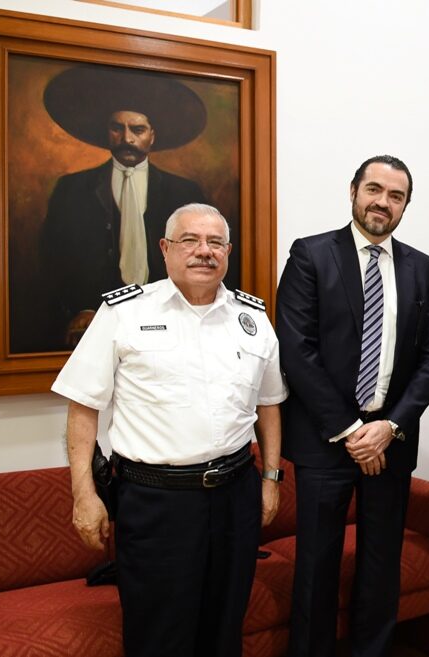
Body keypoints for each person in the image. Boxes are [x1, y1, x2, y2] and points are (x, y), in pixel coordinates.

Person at [52, 203, 286, 657]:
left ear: (228, 251)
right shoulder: (124, 312)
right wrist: (84, 494)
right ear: (164, 248)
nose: (204, 251)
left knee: (225, 628)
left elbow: (269, 405)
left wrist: (271, 479)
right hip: (156, 503)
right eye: (190, 240)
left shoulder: (253, 319)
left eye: (215, 242)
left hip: (235, 496)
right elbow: (83, 405)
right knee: (159, 636)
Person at [276, 155, 429, 657]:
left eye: (396, 196)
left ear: (405, 206)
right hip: (326, 441)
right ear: (353, 191)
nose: (383, 202)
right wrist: (353, 430)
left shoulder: (423, 268)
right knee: (316, 568)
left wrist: (390, 427)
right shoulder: (311, 255)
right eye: (374, 189)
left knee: (381, 565)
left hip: (390, 442)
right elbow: (296, 350)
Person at [40, 64, 211, 347]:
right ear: (107, 132)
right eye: (117, 128)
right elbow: (51, 261)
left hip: (172, 328)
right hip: (95, 327)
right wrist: (80, 308)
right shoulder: (71, 190)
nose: (127, 139)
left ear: (152, 135)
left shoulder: (185, 192)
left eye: (137, 130)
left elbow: (205, 260)